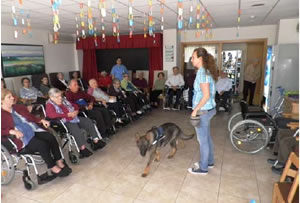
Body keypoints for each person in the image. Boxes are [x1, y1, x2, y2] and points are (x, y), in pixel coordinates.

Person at [1, 89, 72, 178]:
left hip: (32, 129)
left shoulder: (18, 107)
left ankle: (59, 160)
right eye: (9, 97)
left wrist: (41, 120)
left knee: (50, 137)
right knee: (42, 144)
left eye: (12, 95)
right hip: (21, 137)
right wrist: (11, 131)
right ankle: (53, 167)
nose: (13, 98)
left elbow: (30, 117)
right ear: (1, 100)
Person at [46, 88, 105, 157]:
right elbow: (51, 115)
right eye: (57, 97)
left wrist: (76, 111)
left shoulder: (64, 100)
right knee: (75, 129)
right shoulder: (49, 105)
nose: (60, 98)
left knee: (88, 121)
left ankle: (96, 141)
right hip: (63, 121)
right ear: (51, 97)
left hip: (73, 117)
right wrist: (66, 115)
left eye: (60, 96)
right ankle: (82, 149)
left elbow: (75, 105)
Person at [188, 47, 218, 175]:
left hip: (203, 111)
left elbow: (205, 95)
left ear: (200, 59)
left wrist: (195, 110)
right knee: (207, 137)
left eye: (193, 57)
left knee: (203, 140)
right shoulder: (205, 71)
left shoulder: (202, 73)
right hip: (208, 109)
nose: (191, 59)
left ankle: (203, 168)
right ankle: (209, 161)